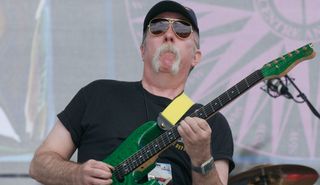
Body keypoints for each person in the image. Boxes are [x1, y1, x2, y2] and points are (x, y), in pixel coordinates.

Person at [29, 1, 234, 185]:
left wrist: (202, 158)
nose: (169, 35)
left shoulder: (210, 123)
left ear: (196, 57)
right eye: (158, 27)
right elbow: (40, 163)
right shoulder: (97, 94)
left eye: (182, 30)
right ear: (143, 49)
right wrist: (75, 174)